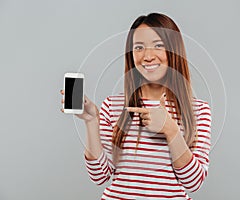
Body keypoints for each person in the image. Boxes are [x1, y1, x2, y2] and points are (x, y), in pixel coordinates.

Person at [60, 12, 211, 200]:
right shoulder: (113, 106)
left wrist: (171, 130)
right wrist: (91, 122)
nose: (147, 56)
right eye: (139, 47)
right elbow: (99, 175)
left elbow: (193, 182)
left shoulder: (198, 111)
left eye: (158, 45)